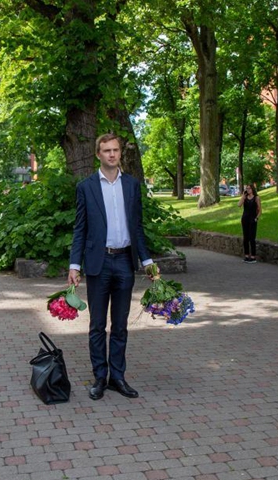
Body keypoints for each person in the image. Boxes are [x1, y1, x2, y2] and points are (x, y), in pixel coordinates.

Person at [68, 133, 156, 401]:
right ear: (98, 154)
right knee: (97, 325)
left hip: (124, 262)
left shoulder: (131, 185)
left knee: (119, 325)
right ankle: (100, 377)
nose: (112, 154)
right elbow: (80, 228)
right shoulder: (86, 187)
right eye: (106, 150)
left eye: (115, 150)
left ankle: (118, 377)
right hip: (99, 263)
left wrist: (147, 261)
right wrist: (74, 264)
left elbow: (137, 227)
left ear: (120, 153)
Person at [237, 184, 262, 263]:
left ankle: (253, 256)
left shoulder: (256, 198)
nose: (248, 190)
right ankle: (247, 255)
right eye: (246, 189)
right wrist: (243, 197)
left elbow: (260, 210)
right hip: (245, 219)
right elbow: (239, 205)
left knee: (252, 238)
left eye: (249, 188)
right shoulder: (245, 197)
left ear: (252, 189)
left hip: (252, 219)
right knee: (245, 238)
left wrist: (256, 218)